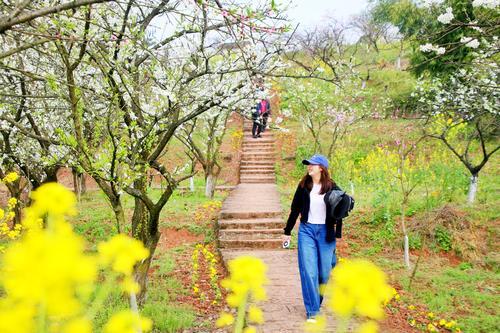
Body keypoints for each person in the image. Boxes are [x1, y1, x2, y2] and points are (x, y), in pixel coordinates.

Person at [282, 154, 343, 322]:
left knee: (324, 274)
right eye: (308, 164)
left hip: (326, 232)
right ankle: (313, 311)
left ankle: (316, 302)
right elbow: (295, 209)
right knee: (309, 272)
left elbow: (340, 212)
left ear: (321, 168)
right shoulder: (303, 186)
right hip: (306, 231)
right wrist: (287, 232)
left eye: (312, 165)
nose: (309, 167)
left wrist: (338, 234)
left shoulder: (332, 187)